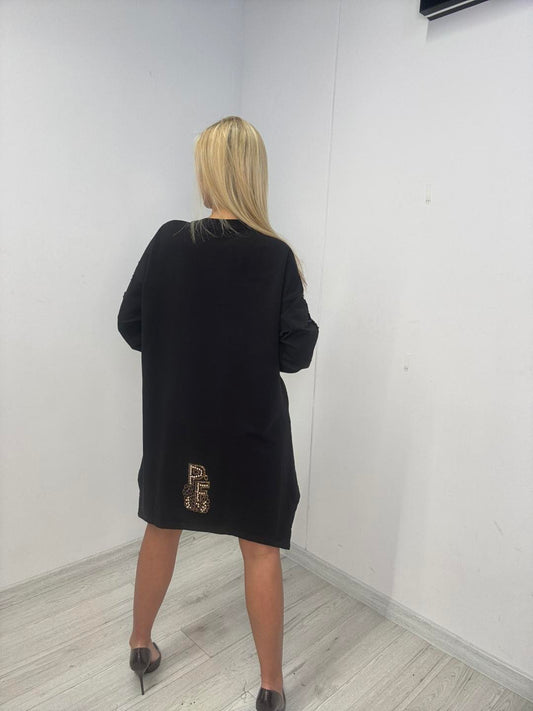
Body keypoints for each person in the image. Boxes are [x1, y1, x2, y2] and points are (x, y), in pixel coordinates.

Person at [118, 115, 319, 710]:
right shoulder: (276, 255)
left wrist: (183, 344)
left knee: (162, 525)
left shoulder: (167, 241)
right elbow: (296, 353)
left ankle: (140, 645)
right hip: (250, 433)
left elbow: (131, 324)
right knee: (259, 547)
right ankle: (271, 688)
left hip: (177, 426)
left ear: (211, 171)